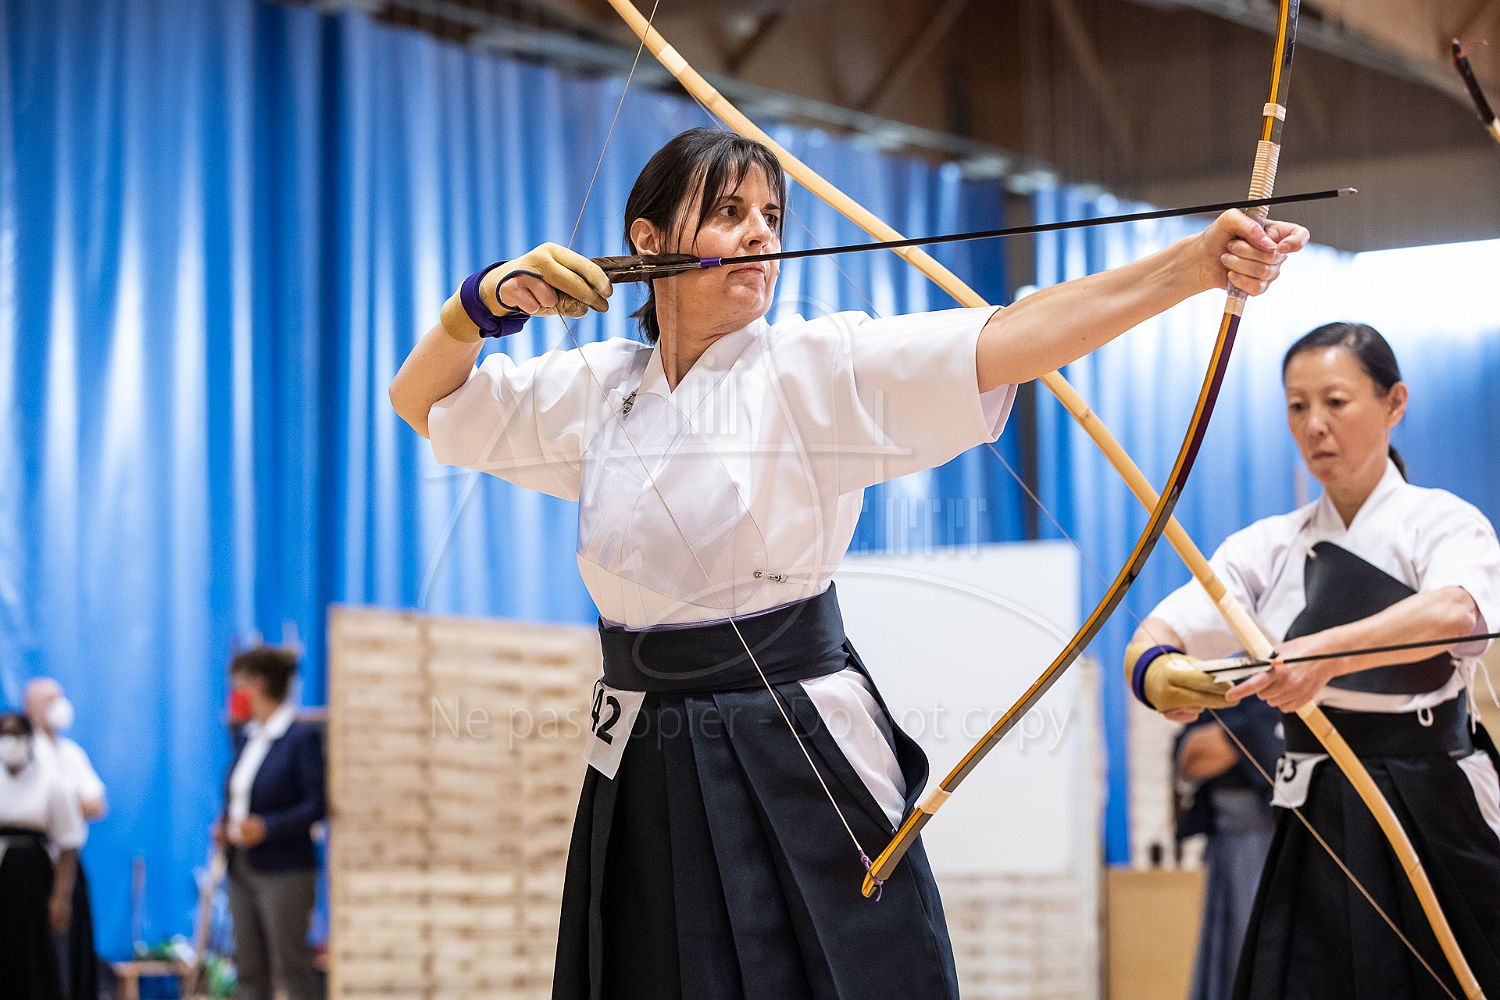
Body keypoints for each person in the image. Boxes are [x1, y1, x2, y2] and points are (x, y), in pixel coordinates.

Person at [389, 126, 1307, 1000]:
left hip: (790, 734)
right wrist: (482, 303)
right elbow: (421, 400)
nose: (760, 235)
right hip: (641, 737)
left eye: (772, 217)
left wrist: (1192, 266)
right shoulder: (599, 385)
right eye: (729, 212)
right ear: (648, 240)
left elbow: (1012, 336)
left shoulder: (817, 365)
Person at [1127, 322, 1500, 999]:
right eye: (1297, 406)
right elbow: (1160, 630)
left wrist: (1323, 655)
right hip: (1316, 801)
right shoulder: (1269, 545)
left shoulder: (1444, 521)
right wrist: (1160, 675)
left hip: (1433, 794)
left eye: (1336, 401)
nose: (1314, 425)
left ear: (1394, 403)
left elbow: (1453, 610)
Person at [215, 645, 326, 1000]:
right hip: (241, 865)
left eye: (239, 684)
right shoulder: (248, 737)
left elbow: (316, 805)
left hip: (284, 869)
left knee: (291, 966)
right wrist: (225, 825)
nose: (235, 693)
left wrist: (267, 827)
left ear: (258, 684)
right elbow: (240, 796)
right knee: (249, 969)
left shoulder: (299, 738)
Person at [1173, 699, 1281, 1000]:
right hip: (1225, 842)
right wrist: (1243, 737)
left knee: (1260, 946)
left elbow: (1269, 740)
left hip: (1268, 836)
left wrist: (1229, 736)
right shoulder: (1216, 692)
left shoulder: (1273, 696)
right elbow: (1190, 757)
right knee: (1224, 949)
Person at [24, 678, 104, 1000]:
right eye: (49, 699)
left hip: (68, 859)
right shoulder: (23, 753)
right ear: (30, 707)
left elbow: (96, 804)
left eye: (60, 697)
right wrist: (67, 805)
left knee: (71, 942)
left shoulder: (71, 753)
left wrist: (60, 807)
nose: (58, 704)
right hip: (34, 864)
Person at [0, 710, 84, 1000]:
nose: (9, 742)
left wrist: (61, 897)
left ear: (28, 739)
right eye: (3, 735)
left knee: (35, 957)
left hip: (34, 878)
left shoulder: (51, 781)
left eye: (15, 735)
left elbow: (69, 844)